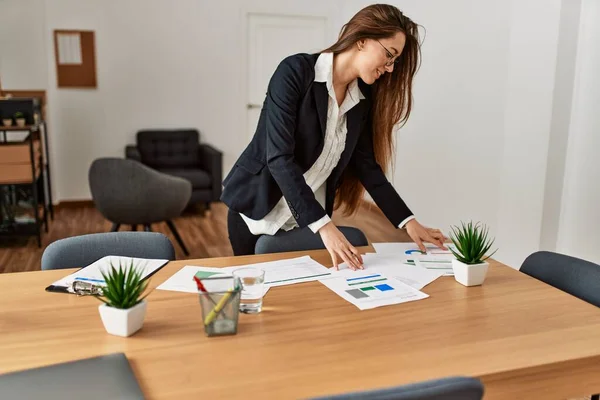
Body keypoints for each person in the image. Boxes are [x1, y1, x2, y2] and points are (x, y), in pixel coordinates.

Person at [221, 4, 447, 270]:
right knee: (255, 295)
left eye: (394, 61)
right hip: (254, 210)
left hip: (301, 221)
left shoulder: (360, 100)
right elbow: (280, 158)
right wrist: (325, 227)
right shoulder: (294, 72)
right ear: (362, 40)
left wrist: (409, 222)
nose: (389, 68)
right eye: (389, 55)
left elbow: (367, 167)